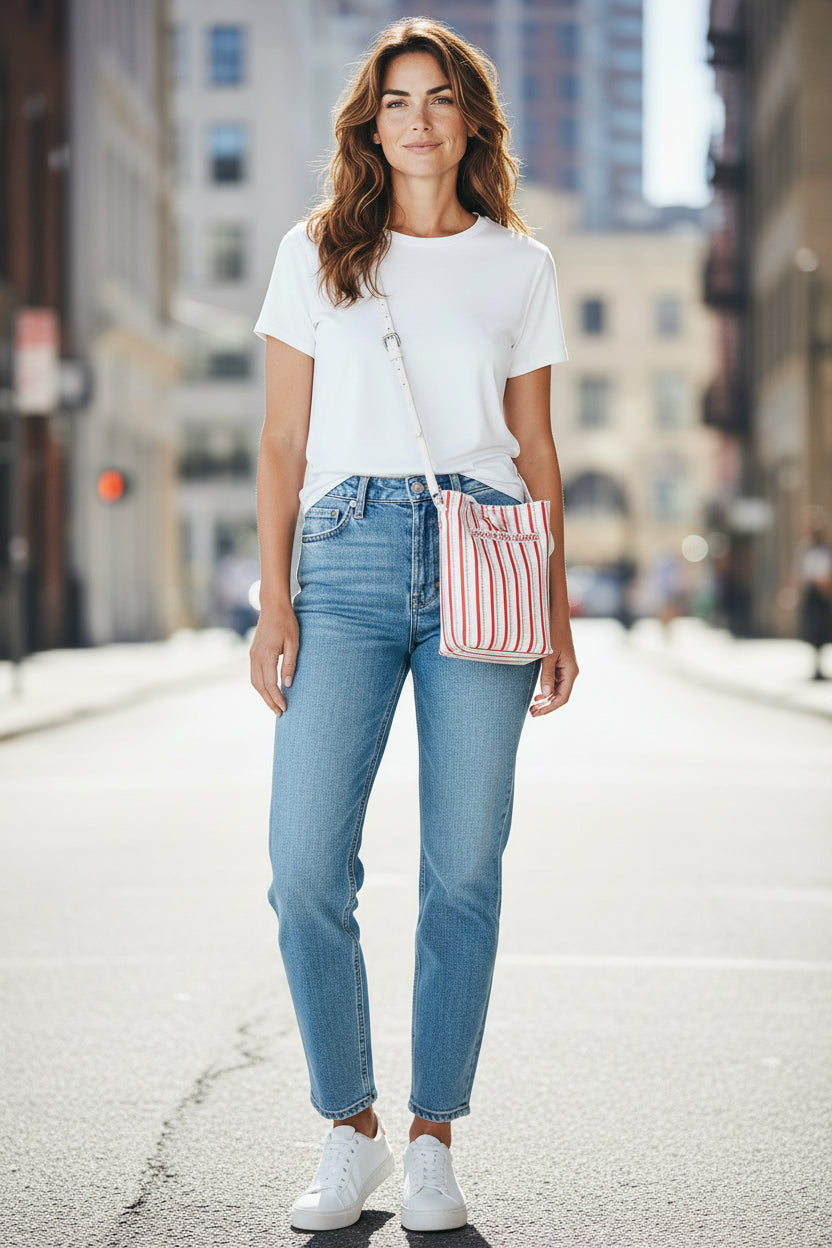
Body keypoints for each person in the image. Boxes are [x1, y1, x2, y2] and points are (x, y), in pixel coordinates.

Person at [249, 16, 579, 1234]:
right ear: (370, 122)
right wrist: (272, 596)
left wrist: (558, 607)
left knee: (463, 870)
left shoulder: (518, 265)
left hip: (485, 555)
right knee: (300, 871)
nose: (420, 119)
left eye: (440, 98)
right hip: (339, 559)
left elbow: (537, 446)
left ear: (470, 119)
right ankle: (352, 1130)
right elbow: (282, 441)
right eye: (397, 100)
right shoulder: (315, 253)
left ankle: (435, 1137)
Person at [796, 525, 832, 679]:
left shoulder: (823, 552)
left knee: (821, 631)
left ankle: (819, 666)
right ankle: (816, 667)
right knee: (814, 631)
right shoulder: (807, 552)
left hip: (820, 595)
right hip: (813, 595)